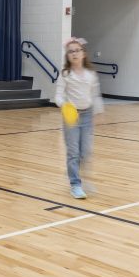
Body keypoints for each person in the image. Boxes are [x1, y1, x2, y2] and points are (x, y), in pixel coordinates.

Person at [53, 37, 103, 199]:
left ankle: (82, 178)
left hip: (87, 115)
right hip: (71, 117)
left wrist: (99, 112)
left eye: (77, 50)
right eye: (71, 51)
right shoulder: (65, 74)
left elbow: (95, 95)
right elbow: (58, 97)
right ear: (67, 56)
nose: (74, 54)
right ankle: (75, 184)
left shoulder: (91, 74)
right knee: (73, 152)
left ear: (83, 54)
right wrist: (66, 107)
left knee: (85, 151)